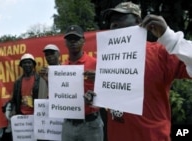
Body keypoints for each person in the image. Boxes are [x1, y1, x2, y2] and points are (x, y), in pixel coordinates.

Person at [84, 1, 192, 141]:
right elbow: (116, 100)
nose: (113, 24)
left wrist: (169, 38)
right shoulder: (107, 60)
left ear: (138, 21)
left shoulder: (159, 52)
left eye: (120, 18)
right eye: (111, 21)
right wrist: (98, 98)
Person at [61, 25, 104, 141]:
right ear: (65, 43)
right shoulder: (62, 68)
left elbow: (108, 90)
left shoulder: (96, 63)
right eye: (70, 39)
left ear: (83, 41)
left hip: (91, 124)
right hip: (68, 124)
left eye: (77, 38)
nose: (73, 42)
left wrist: (98, 81)